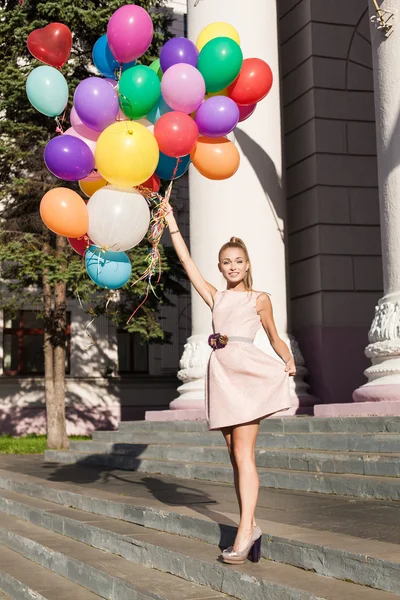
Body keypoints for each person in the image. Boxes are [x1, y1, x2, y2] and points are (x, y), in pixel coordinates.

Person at [165, 204, 296, 565]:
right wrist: (172, 222)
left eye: (239, 261)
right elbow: (188, 263)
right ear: (221, 267)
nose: (233, 266)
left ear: (247, 264)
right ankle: (250, 526)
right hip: (221, 377)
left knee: (244, 454)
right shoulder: (216, 295)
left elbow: (273, 337)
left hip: (248, 375)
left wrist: (287, 358)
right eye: (226, 262)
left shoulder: (260, 299)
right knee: (235, 459)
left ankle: (243, 531)